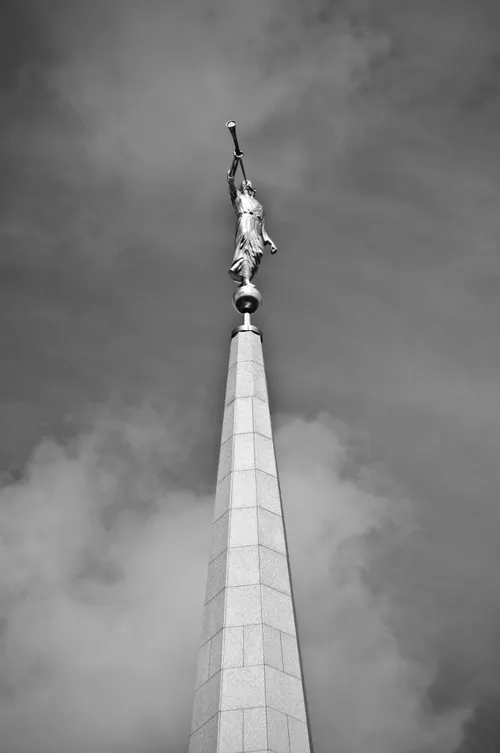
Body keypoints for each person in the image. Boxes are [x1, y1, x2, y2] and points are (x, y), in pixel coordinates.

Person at [227, 152, 277, 286]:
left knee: (256, 252)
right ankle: (246, 279)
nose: (247, 187)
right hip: (245, 222)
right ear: (242, 188)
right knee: (246, 249)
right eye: (245, 186)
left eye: (249, 186)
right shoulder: (238, 197)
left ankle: (247, 278)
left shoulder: (259, 206)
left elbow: (262, 228)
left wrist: (270, 242)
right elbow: (230, 179)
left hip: (256, 229)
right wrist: (235, 161)